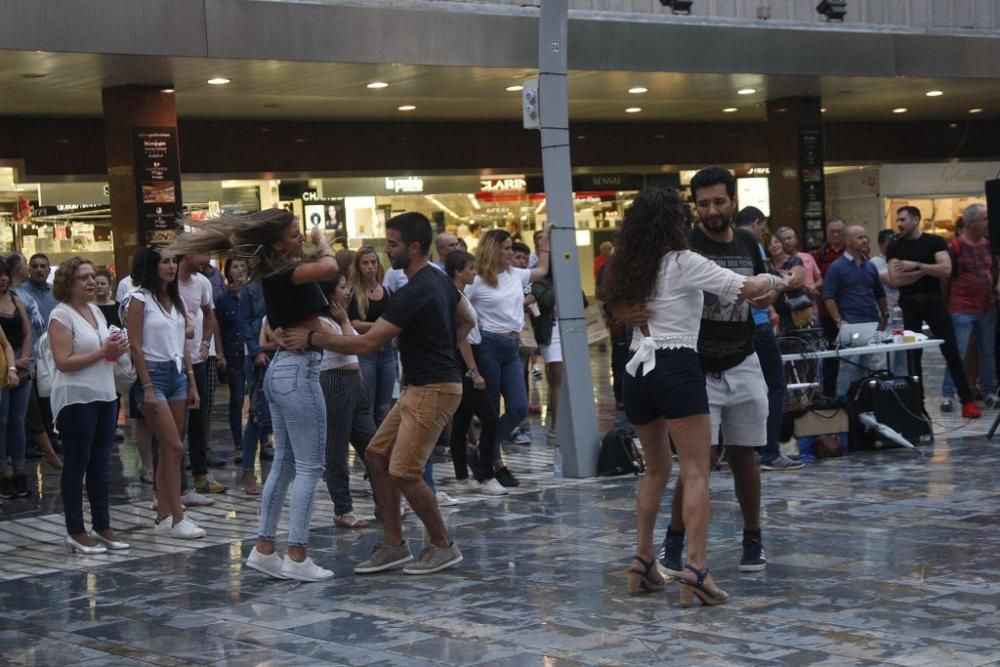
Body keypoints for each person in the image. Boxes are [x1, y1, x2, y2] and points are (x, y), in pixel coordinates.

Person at [608, 187, 783, 603]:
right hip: (677, 367)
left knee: (655, 471)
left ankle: (643, 560)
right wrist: (782, 278)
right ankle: (696, 570)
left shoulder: (626, 266)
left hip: (637, 369)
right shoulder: (683, 262)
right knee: (695, 470)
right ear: (675, 223)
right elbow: (750, 287)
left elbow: (612, 307)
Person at [278, 212, 475, 576]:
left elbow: (367, 343)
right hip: (423, 386)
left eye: (393, 244)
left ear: (413, 247)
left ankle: (442, 545)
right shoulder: (440, 280)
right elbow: (468, 318)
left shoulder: (414, 291)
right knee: (376, 456)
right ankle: (393, 545)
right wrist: (447, 347)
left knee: (404, 471)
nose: (387, 251)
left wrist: (313, 338)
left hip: (433, 387)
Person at [170, 208, 340, 581]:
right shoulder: (284, 271)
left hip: (283, 370)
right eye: (294, 235)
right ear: (278, 244)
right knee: (310, 466)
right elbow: (330, 267)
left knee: (285, 464)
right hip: (299, 371)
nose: (301, 239)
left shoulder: (275, 272)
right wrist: (322, 239)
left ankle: (265, 549)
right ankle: (297, 555)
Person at [659, 167, 798, 576]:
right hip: (696, 366)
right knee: (696, 461)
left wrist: (768, 295)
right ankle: (674, 540)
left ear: (732, 201)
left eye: (719, 201)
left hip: (743, 356)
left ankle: (753, 538)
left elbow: (762, 292)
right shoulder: (685, 246)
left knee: (746, 455)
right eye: (703, 203)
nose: (711, 210)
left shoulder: (747, 240)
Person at [49, 257, 131, 554]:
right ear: (68, 283)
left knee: (100, 463)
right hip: (77, 398)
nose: (90, 282)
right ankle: (75, 529)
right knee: (76, 464)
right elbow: (64, 362)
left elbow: (104, 352)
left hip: (105, 394)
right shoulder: (61, 315)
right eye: (83, 277)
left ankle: (102, 524)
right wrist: (103, 351)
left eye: (92, 276)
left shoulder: (96, 310)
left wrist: (115, 350)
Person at [126, 245, 206, 539]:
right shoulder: (138, 299)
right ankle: (177, 517)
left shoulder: (175, 299)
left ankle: (163, 514)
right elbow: (134, 345)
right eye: (164, 262)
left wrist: (192, 381)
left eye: (173, 261)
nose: (171, 267)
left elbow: (182, 344)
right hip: (153, 375)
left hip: (177, 375)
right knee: (173, 447)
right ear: (151, 266)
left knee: (168, 451)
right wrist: (146, 386)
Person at [886, 206, 981, 418]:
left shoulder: (934, 242)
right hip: (909, 304)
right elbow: (895, 279)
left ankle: (967, 400)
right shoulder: (895, 246)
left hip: (934, 302)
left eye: (903, 219)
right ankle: (917, 406)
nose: (899, 224)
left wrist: (914, 265)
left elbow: (946, 270)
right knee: (913, 355)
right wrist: (926, 270)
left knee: (951, 351)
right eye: (898, 220)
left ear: (916, 219)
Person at [734, 207, 802, 471]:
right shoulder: (752, 245)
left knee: (743, 389)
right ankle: (770, 451)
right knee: (775, 386)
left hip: (738, 326)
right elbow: (761, 289)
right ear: (756, 223)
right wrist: (781, 283)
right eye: (762, 229)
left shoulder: (729, 245)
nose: (764, 234)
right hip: (758, 325)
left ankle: (743, 450)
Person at [317, 272, 377, 527]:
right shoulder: (321, 323)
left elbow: (356, 349)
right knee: (337, 449)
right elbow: (351, 345)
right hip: (335, 382)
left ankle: (385, 500)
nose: (347, 291)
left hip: (354, 383)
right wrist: (343, 321)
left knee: (374, 446)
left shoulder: (340, 319)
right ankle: (343, 508)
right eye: (342, 288)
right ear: (330, 294)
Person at [446, 250, 506, 496]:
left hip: (473, 354)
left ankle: (462, 476)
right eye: (470, 269)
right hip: (466, 360)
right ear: (458, 271)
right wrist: (474, 371)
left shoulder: (460, 295)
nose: (474, 272)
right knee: (490, 418)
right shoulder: (455, 297)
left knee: (461, 420)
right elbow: (463, 340)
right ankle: (487, 474)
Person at [177, 254, 226, 495]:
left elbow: (209, 315)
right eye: (202, 253)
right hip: (173, 360)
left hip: (197, 359)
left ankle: (200, 475)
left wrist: (207, 342)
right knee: (177, 424)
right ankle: (174, 485)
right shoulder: (167, 281)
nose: (207, 259)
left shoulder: (202, 282)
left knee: (200, 418)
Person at [823, 226, 888, 399]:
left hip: (871, 321)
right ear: (849, 242)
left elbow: (879, 292)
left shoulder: (870, 266)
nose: (865, 241)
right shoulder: (837, 267)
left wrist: (885, 314)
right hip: (850, 324)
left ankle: (861, 405)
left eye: (866, 237)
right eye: (860, 238)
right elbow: (828, 296)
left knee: (865, 366)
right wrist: (839, 321)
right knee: (849, 366)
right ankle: (842, 405)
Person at [942, 204, 996, 408]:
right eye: (984, 218)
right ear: (973, 222)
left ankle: (988, 390)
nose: (987, 222)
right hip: (962, 306)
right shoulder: (955, 246)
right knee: (958, 351)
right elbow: (947, 277)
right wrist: (947, 302)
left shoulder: (989, 244)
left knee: (987, 351)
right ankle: (948, 393)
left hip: (985, 306)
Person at [349, 247, 396, 426]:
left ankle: (380, 450)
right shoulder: (355, 293)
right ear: (359, 266)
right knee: (367, 406)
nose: (370, 267)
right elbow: (355, 325)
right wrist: (381, 326)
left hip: (387, 352)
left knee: (384, 408)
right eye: (365, 263)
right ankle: (369, 449)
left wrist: (377, 328)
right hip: (365, 352)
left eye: (373, 262)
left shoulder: (387, 292)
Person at [0, 260, 34, 500]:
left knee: (18, 421)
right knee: (1, 422)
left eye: (4, 275)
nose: (2, 279)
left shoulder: (15, 300)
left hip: (21, 364)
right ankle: (3, 473)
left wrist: (24, 359)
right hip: (4, 366)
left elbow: (27, 331)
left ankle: (20, 471)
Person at [215, 258, 250, 468]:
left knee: (258, 397)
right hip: (234, 352)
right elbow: (219, 327)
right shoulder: (223, 299)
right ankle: (239, 444)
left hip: (253, 351)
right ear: (228, 272)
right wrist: (221, 354)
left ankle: (263, 441)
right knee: (237, 398)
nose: (240, 270)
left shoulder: (254, 294)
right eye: (236, 266)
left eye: (243, 267)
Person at [813, 218, 847, 396]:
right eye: (832, 231)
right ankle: (828, 395)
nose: (835, 235)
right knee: (830, 356)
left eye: (839, 231)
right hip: (827, 313)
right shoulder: (820, 254)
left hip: (849, 312)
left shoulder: (852, 251)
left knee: (853, 355)